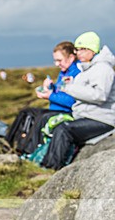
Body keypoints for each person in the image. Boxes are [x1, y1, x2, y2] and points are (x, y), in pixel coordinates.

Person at [42, 32, 115, 170]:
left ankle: (51, 167)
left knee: (64, 129)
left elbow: (100, 96)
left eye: (82, 49)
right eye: (77, 49)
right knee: (58, 125)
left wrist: (69, 88)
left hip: (102, 120)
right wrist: (70, 85)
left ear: (92, 50)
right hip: (88, 116)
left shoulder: (103, 69)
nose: (78, 53)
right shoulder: (90, 68)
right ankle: (46, 164)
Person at [35, 41, 81, 113]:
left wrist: (50, 96)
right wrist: (50, 87)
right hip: (55, 111)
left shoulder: (77, 73)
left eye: (59, 60)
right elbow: (60, 91)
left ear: (71, 58)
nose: (57, 64)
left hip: (66, 113)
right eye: (55, 61)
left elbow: (72, 101)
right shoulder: (64, 72)